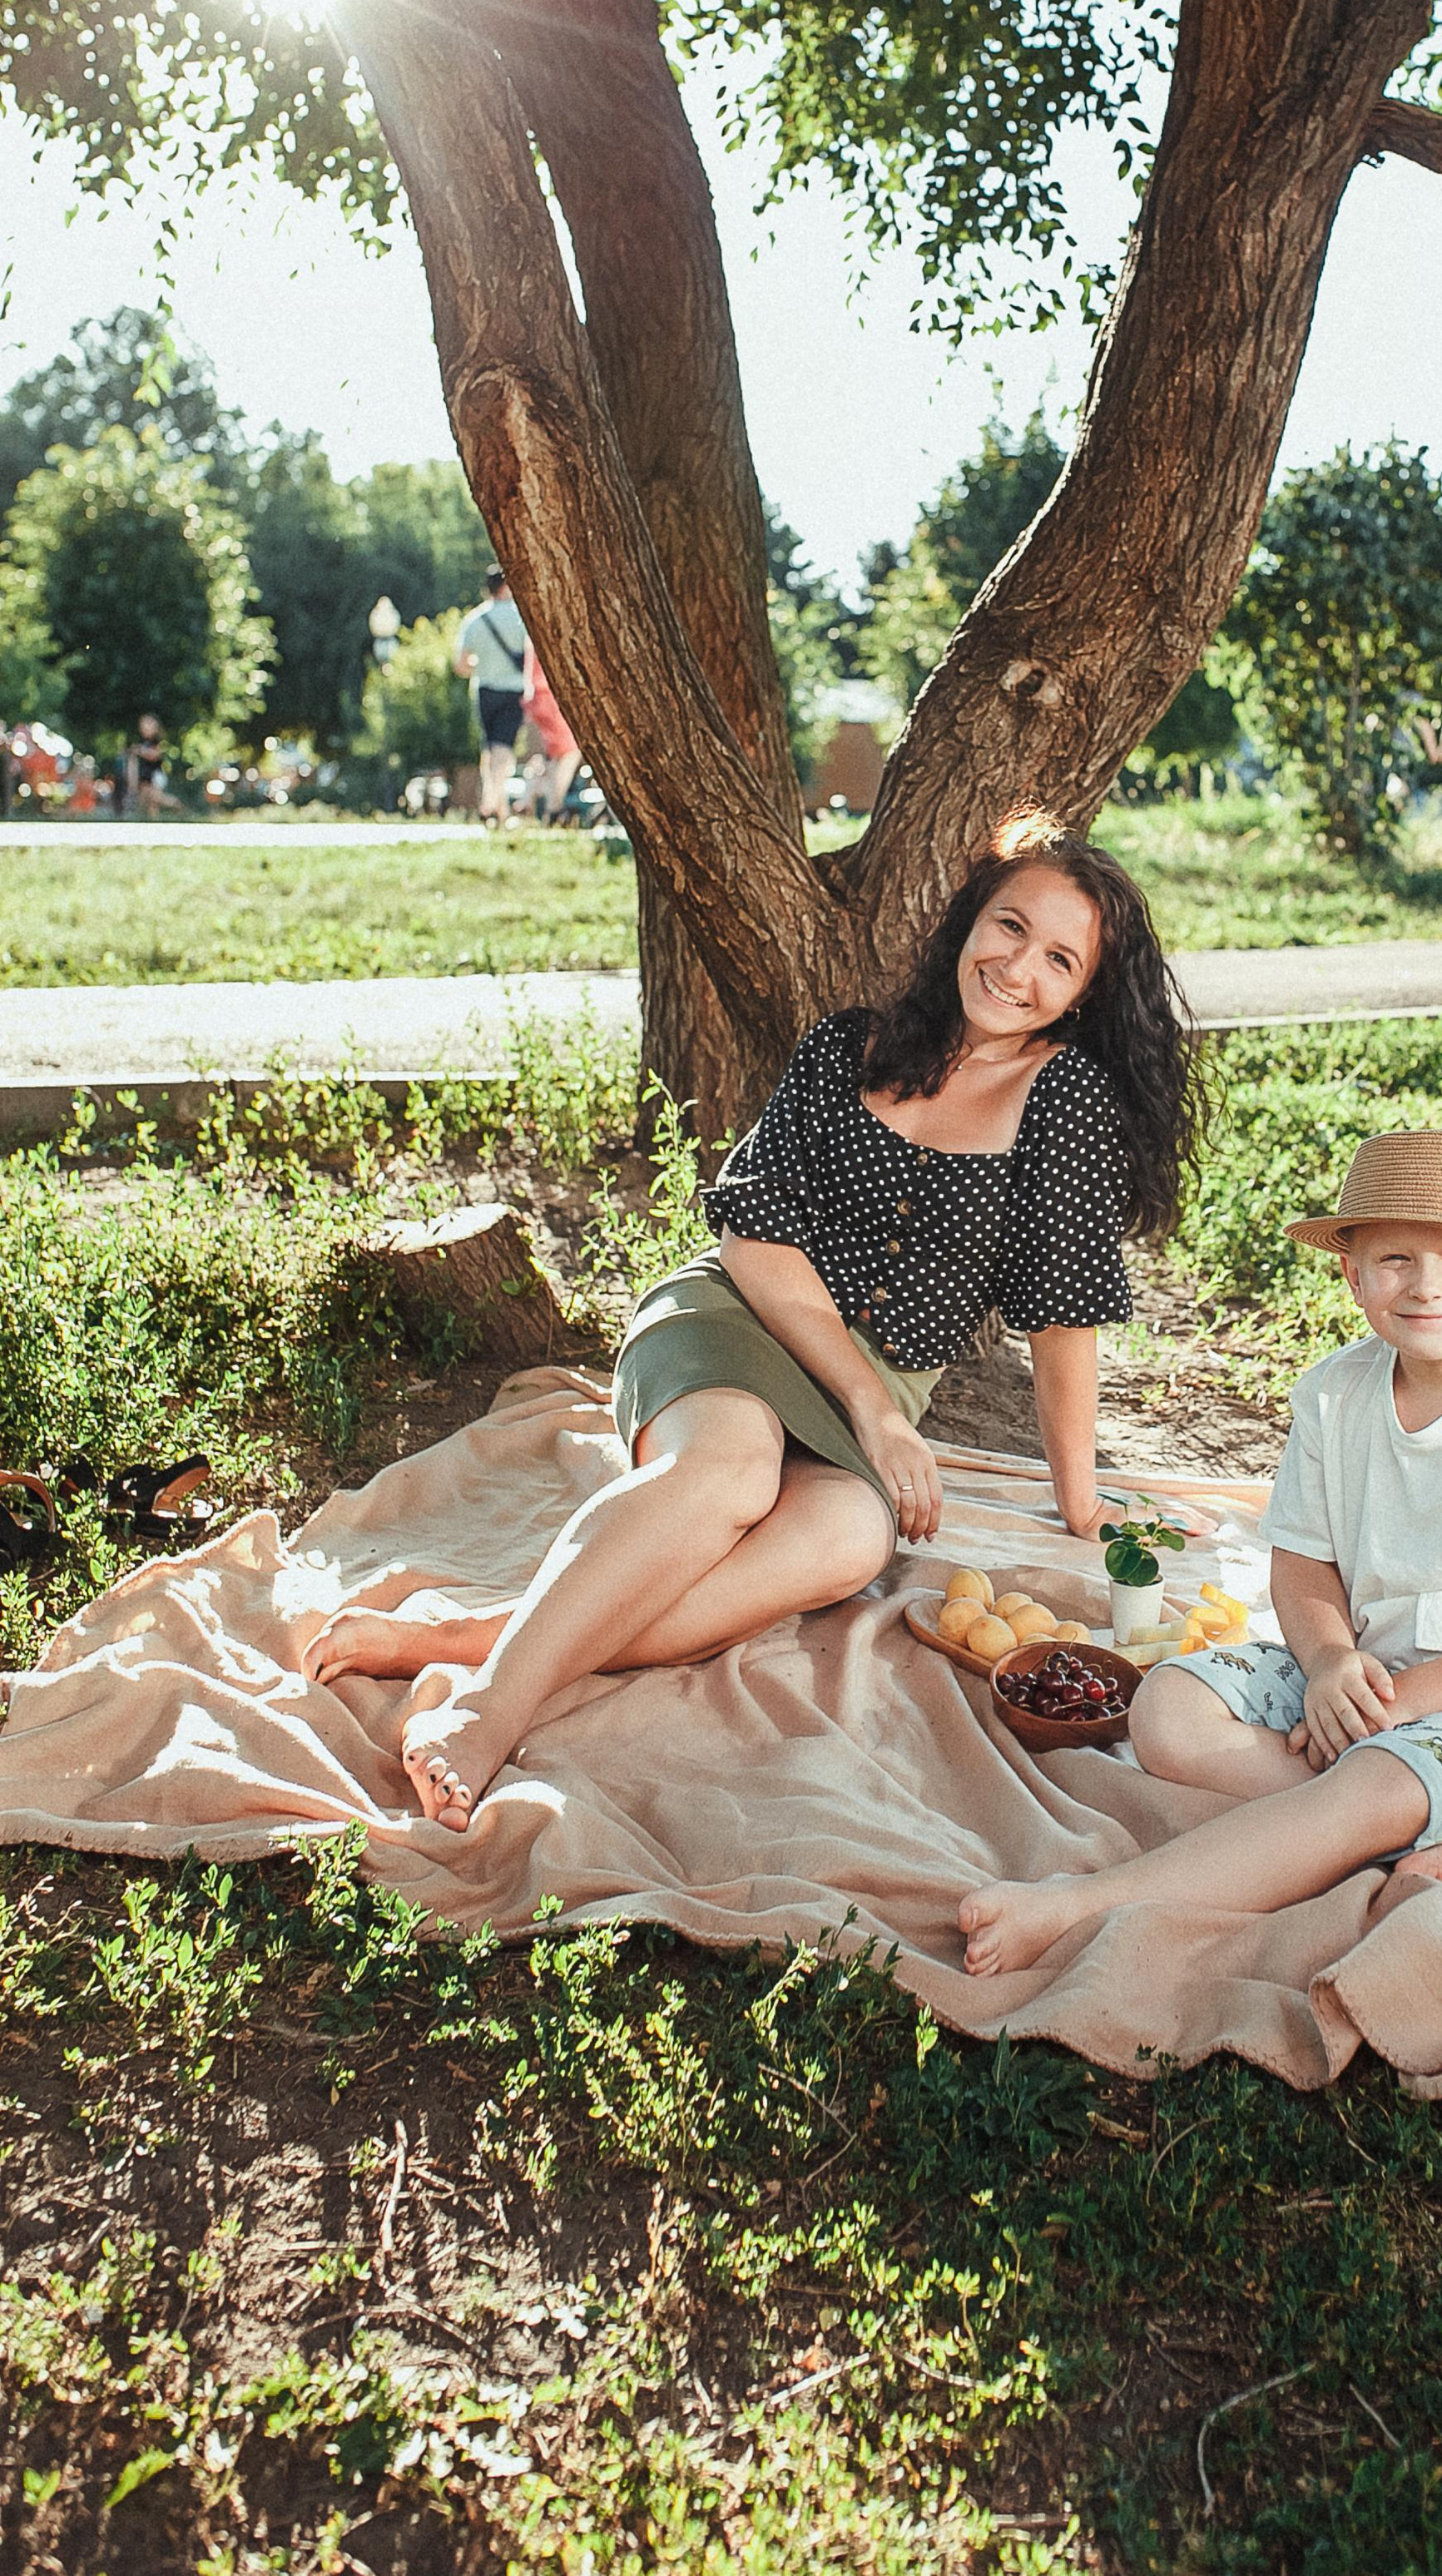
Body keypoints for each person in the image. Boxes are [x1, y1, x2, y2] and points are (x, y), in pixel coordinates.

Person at [303, 815, 1207, 1831]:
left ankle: (480, 1635)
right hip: (735, 1318)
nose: (1016, 967)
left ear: (1084, 993)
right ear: (967, 921)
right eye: (1008, 926)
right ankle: (487, 1711)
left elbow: (1063, 1308)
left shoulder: (1062, 1103)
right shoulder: (846, 1047)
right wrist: (872, 1410)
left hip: (877, 1385)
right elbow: (755, 1236)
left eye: (1058, 959)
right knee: (729, 1474)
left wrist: (1080, 1503)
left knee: (846, 1542)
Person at [958, 1126, 1442, 1978]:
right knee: (1167, 1708)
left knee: (1382, 1777)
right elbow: (1304, 1562)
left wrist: (1404, 1709)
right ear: (1350, 1273)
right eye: (1394, 1258)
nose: (1426, 1286)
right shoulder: (1333, 1393)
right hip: (1364, 1679)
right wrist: (1325, 1665)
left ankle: (1081, 1906)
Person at [453, 565, 528, 825]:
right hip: (514, 691)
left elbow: (461, 665)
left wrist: (483, 664)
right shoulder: (521, 617)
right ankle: (488, 803)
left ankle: (500, 811)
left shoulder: (475, 620)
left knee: (489, 750)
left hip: (484, 689)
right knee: (503, 751)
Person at [520, 644, 580, 825]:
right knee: (571, 752)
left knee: (555, 756)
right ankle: (554, 807)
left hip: (537, 696)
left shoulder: (532, 634)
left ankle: (547, 805)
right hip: (552, 697)